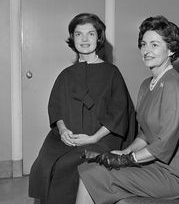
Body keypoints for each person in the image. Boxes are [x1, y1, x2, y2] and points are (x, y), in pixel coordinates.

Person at [75, 15, 179, 204]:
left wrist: (127, 159)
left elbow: (164, 144)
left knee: (95, 175)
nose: (147, 51)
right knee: (90, 170)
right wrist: (125, 153)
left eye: (155, 45)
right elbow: (144, 134)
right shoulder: (145, 85)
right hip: (153, 164)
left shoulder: (175, 85)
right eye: (143, 44)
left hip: (176, 175)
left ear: (171, 50)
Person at [28, 13, 136, 204]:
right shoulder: (65, 75)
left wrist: (94, 137)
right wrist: (62, 131)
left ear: (99, 38)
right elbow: (56, 108)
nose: (84, 39)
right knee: (44, 163)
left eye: (91, 34)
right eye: (79, 34)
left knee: (68, 164)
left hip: (102, 138)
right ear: (72, 38)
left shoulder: (112, 73)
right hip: (66, 138)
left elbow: (119, 112)